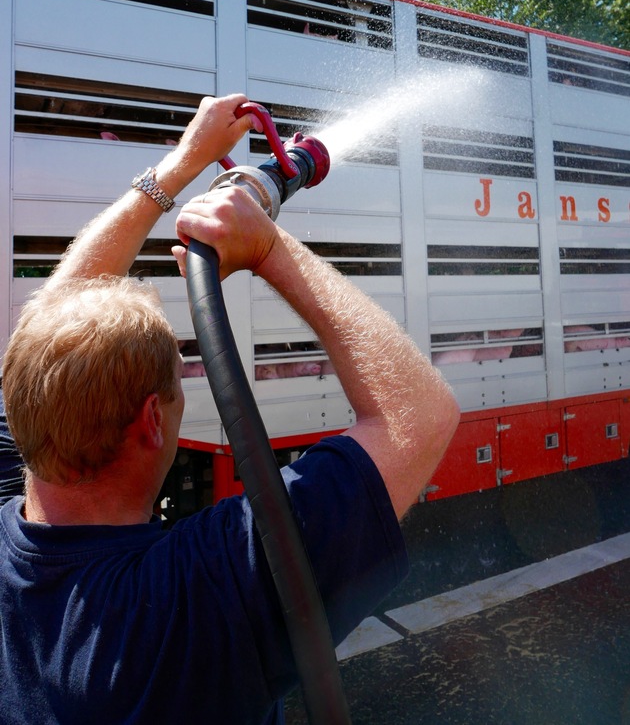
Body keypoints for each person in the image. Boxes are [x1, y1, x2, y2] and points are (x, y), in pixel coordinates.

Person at [0, 94, 459, 724]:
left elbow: (57, 311)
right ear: (151, 422)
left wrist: (180, 167)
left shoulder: (23, 498)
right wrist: (269, 249)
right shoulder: (191, 600)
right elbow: (421, 415)